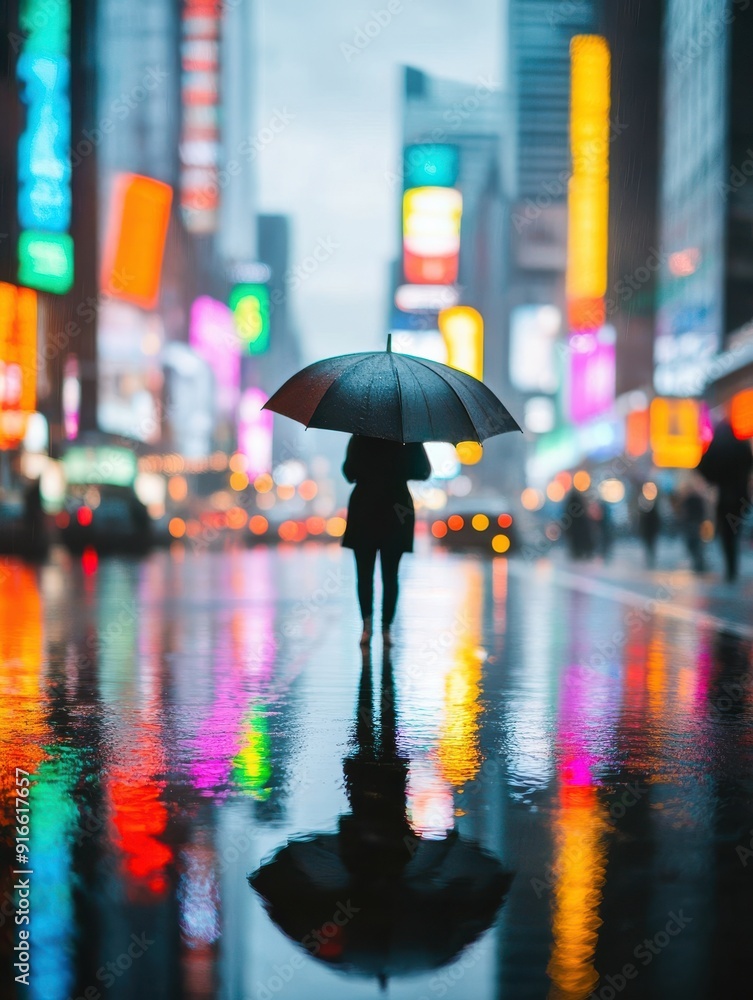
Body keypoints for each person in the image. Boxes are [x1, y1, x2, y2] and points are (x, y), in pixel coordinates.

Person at [341, 435, 431, 645]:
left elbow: (348, 472)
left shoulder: (360, 434)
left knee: (364, 574)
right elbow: (424, 472)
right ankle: (386, 629)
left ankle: (366, 626)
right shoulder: (408, 437)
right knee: (391, 575)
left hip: (364, 506)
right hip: (397, 508)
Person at [697, 418, 753, 581]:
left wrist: (714, 480)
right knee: (736, 529)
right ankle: (733, 566)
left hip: (723, 496)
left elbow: (702, 467)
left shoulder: (715, 448)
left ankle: (730, 568)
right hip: (741, 497)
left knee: (726, 532)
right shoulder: (740, 446)